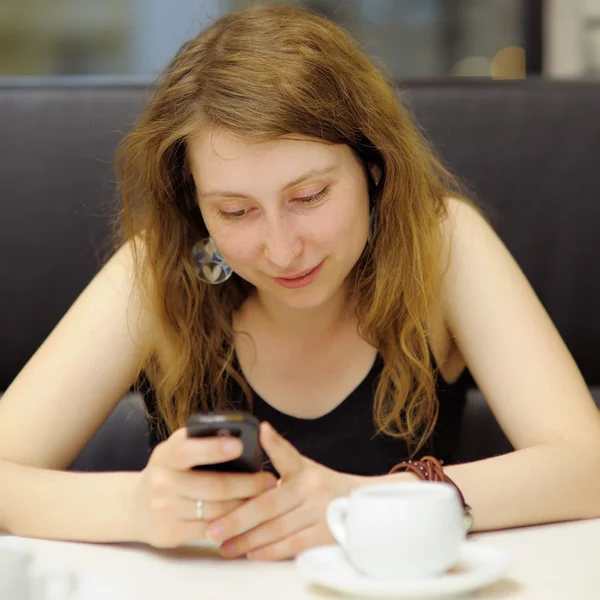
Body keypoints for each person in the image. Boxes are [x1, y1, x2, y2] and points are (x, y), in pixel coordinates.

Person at [1, 3, 599, 563]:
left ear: (373, 166)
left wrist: (363, 503)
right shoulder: (158, 267)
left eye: (309, 196)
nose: (283, 250)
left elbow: (588, 467)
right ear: (196, 208)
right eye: (235, 212)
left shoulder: (441, 244)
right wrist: (133, 506)